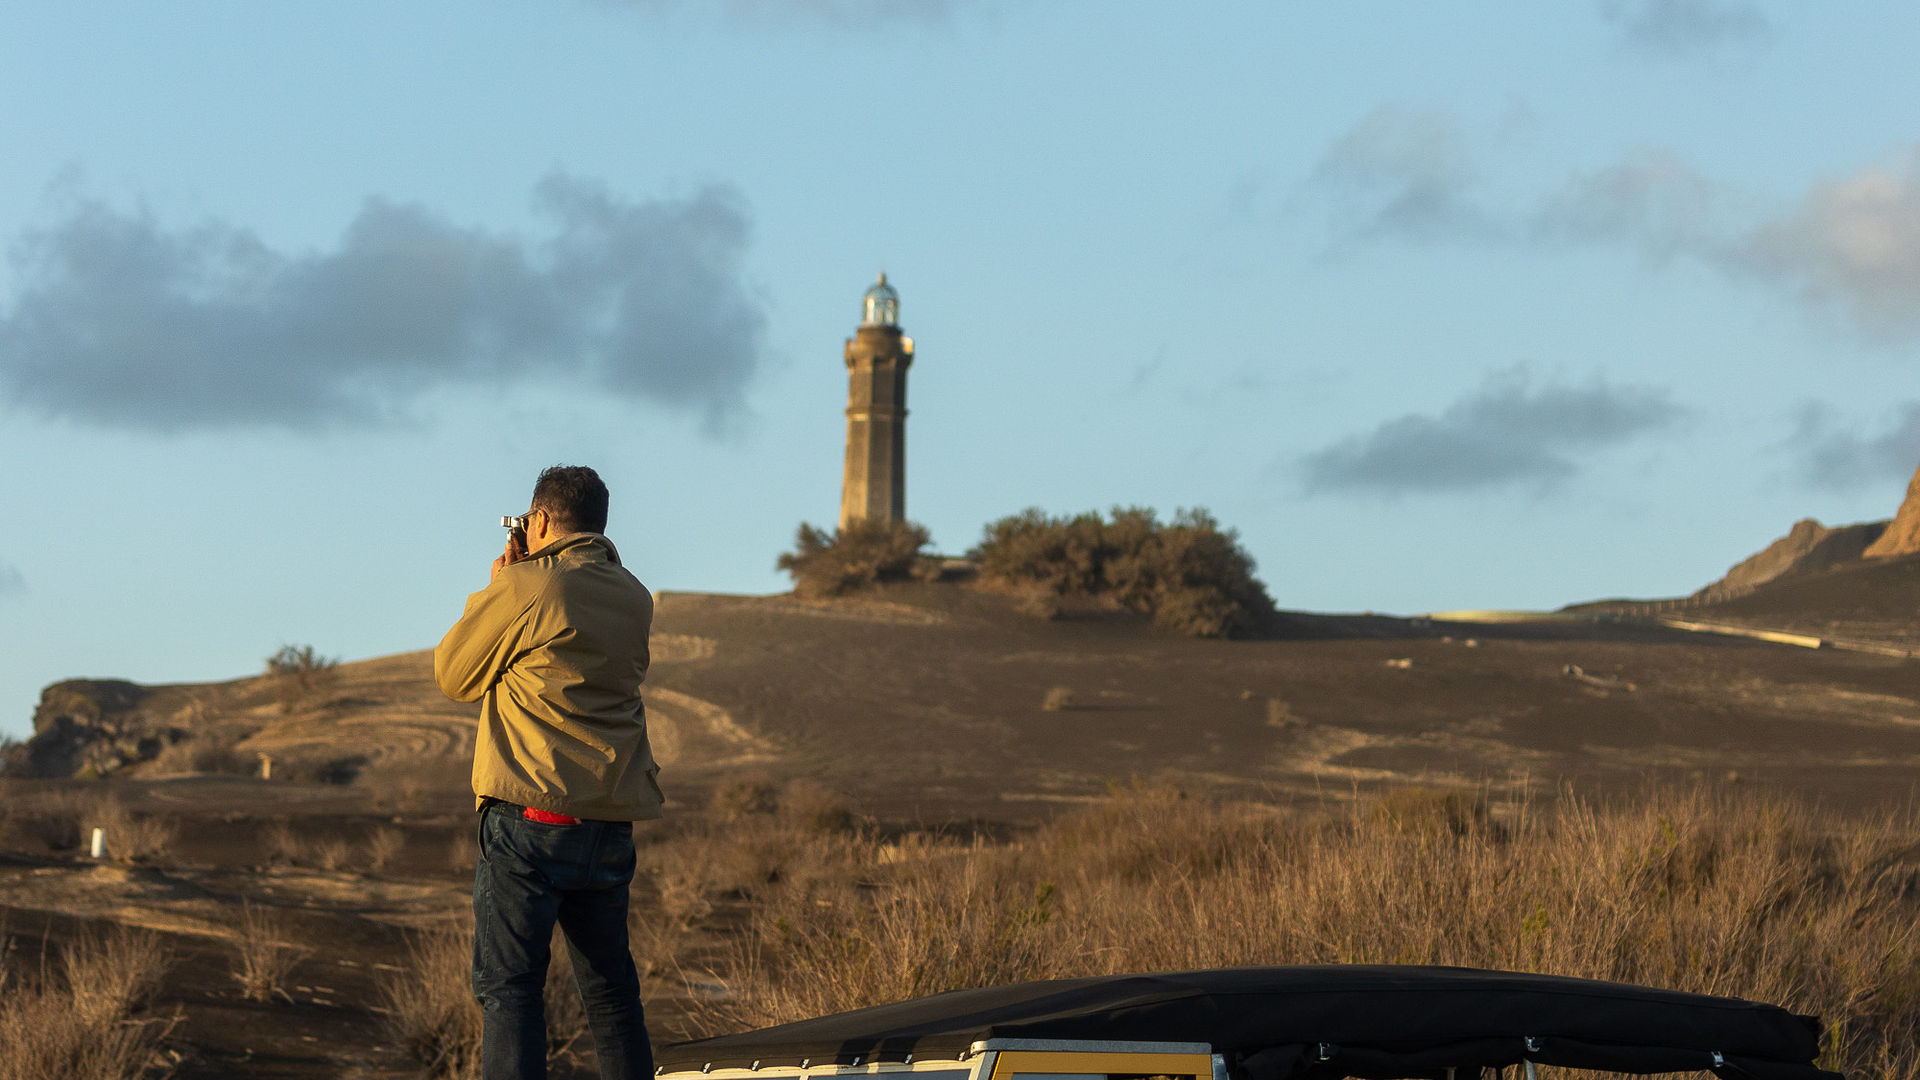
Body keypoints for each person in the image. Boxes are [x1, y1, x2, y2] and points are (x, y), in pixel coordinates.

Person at [435, 464, 663, 1080]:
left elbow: (454, 674)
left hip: (531, 819)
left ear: (538, 521)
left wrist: (496, 589)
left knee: (510, 993)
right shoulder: (635, 595)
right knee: (613, 997)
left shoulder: (530, 587)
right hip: (609, 821)